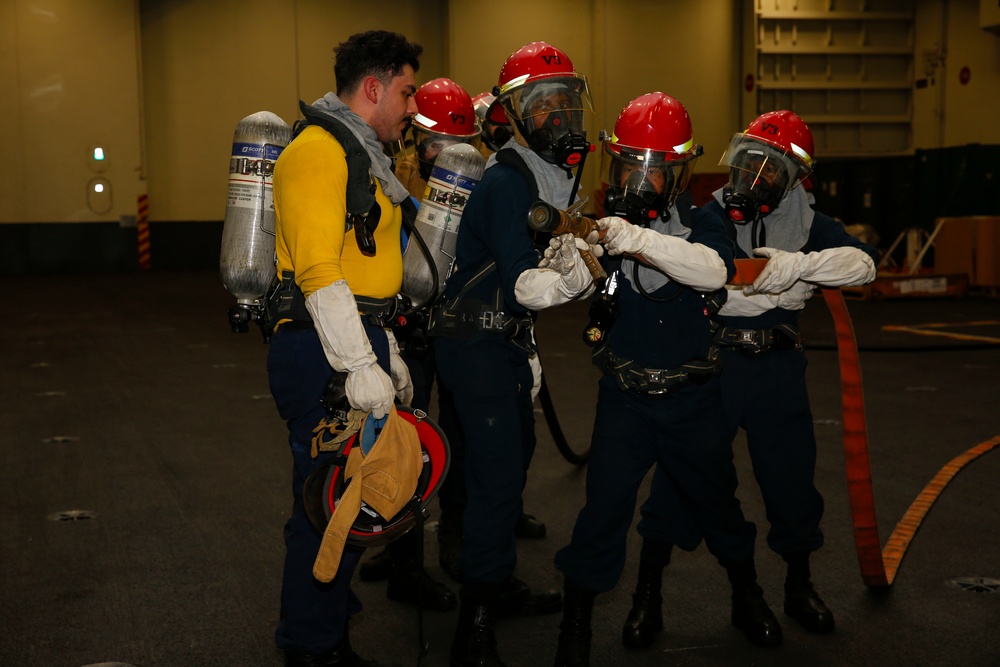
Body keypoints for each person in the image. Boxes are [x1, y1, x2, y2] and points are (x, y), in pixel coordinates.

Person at [623, 110, 878, 650]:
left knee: (790, 479)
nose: (752, 179)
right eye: (746, 163)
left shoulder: (808, 224)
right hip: (713, 366)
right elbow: (700, 274)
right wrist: (759, 285)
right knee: (679, 480)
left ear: (792, 180)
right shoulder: (704, 214)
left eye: (768, 169)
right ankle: (648, 593)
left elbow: (864, 264)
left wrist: (801, 266)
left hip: (778, 371)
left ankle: (798, 585)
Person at [551, 92, 769, 667]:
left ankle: (745, 597)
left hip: (692, 400)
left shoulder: (706, 223)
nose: (638, 182)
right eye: (628, 167)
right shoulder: (603, 226)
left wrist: (638, 239)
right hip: (624, 399)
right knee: (602, 512)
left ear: (680, 174)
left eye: (654, 171)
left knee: (718, 505)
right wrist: (563, 263)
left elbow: (715, 271)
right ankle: (575, 625)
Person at [429, 41, 601, 667]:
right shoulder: (507, 181)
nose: (561, 117)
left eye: (567, 102)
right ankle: (472, 628)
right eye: (544, 105)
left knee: (511, 460)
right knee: (498, 479)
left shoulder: (541, 178)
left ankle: (494, 585)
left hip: (498, 340)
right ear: (515, 116)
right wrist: (581, 276)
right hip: (476, 344)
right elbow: (525, 280)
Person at [266, 30, 422, 667]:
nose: (412, 108)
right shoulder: (317, 153)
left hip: (353, 338)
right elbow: (320, 274)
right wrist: (360, 364)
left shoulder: (364, 155)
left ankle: (325, 621)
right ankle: (310, 645)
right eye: (407, 92)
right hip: (319, 351)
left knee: (345, 499)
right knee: (329, 503)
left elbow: (364, 273)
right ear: (374, 87)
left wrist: (384, 350)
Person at [472, 91, 513, 156]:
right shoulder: (480, 148)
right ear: (484, 127)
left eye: (498, 117)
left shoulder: (518, 138)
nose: (497, 124)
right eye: (491, 123)